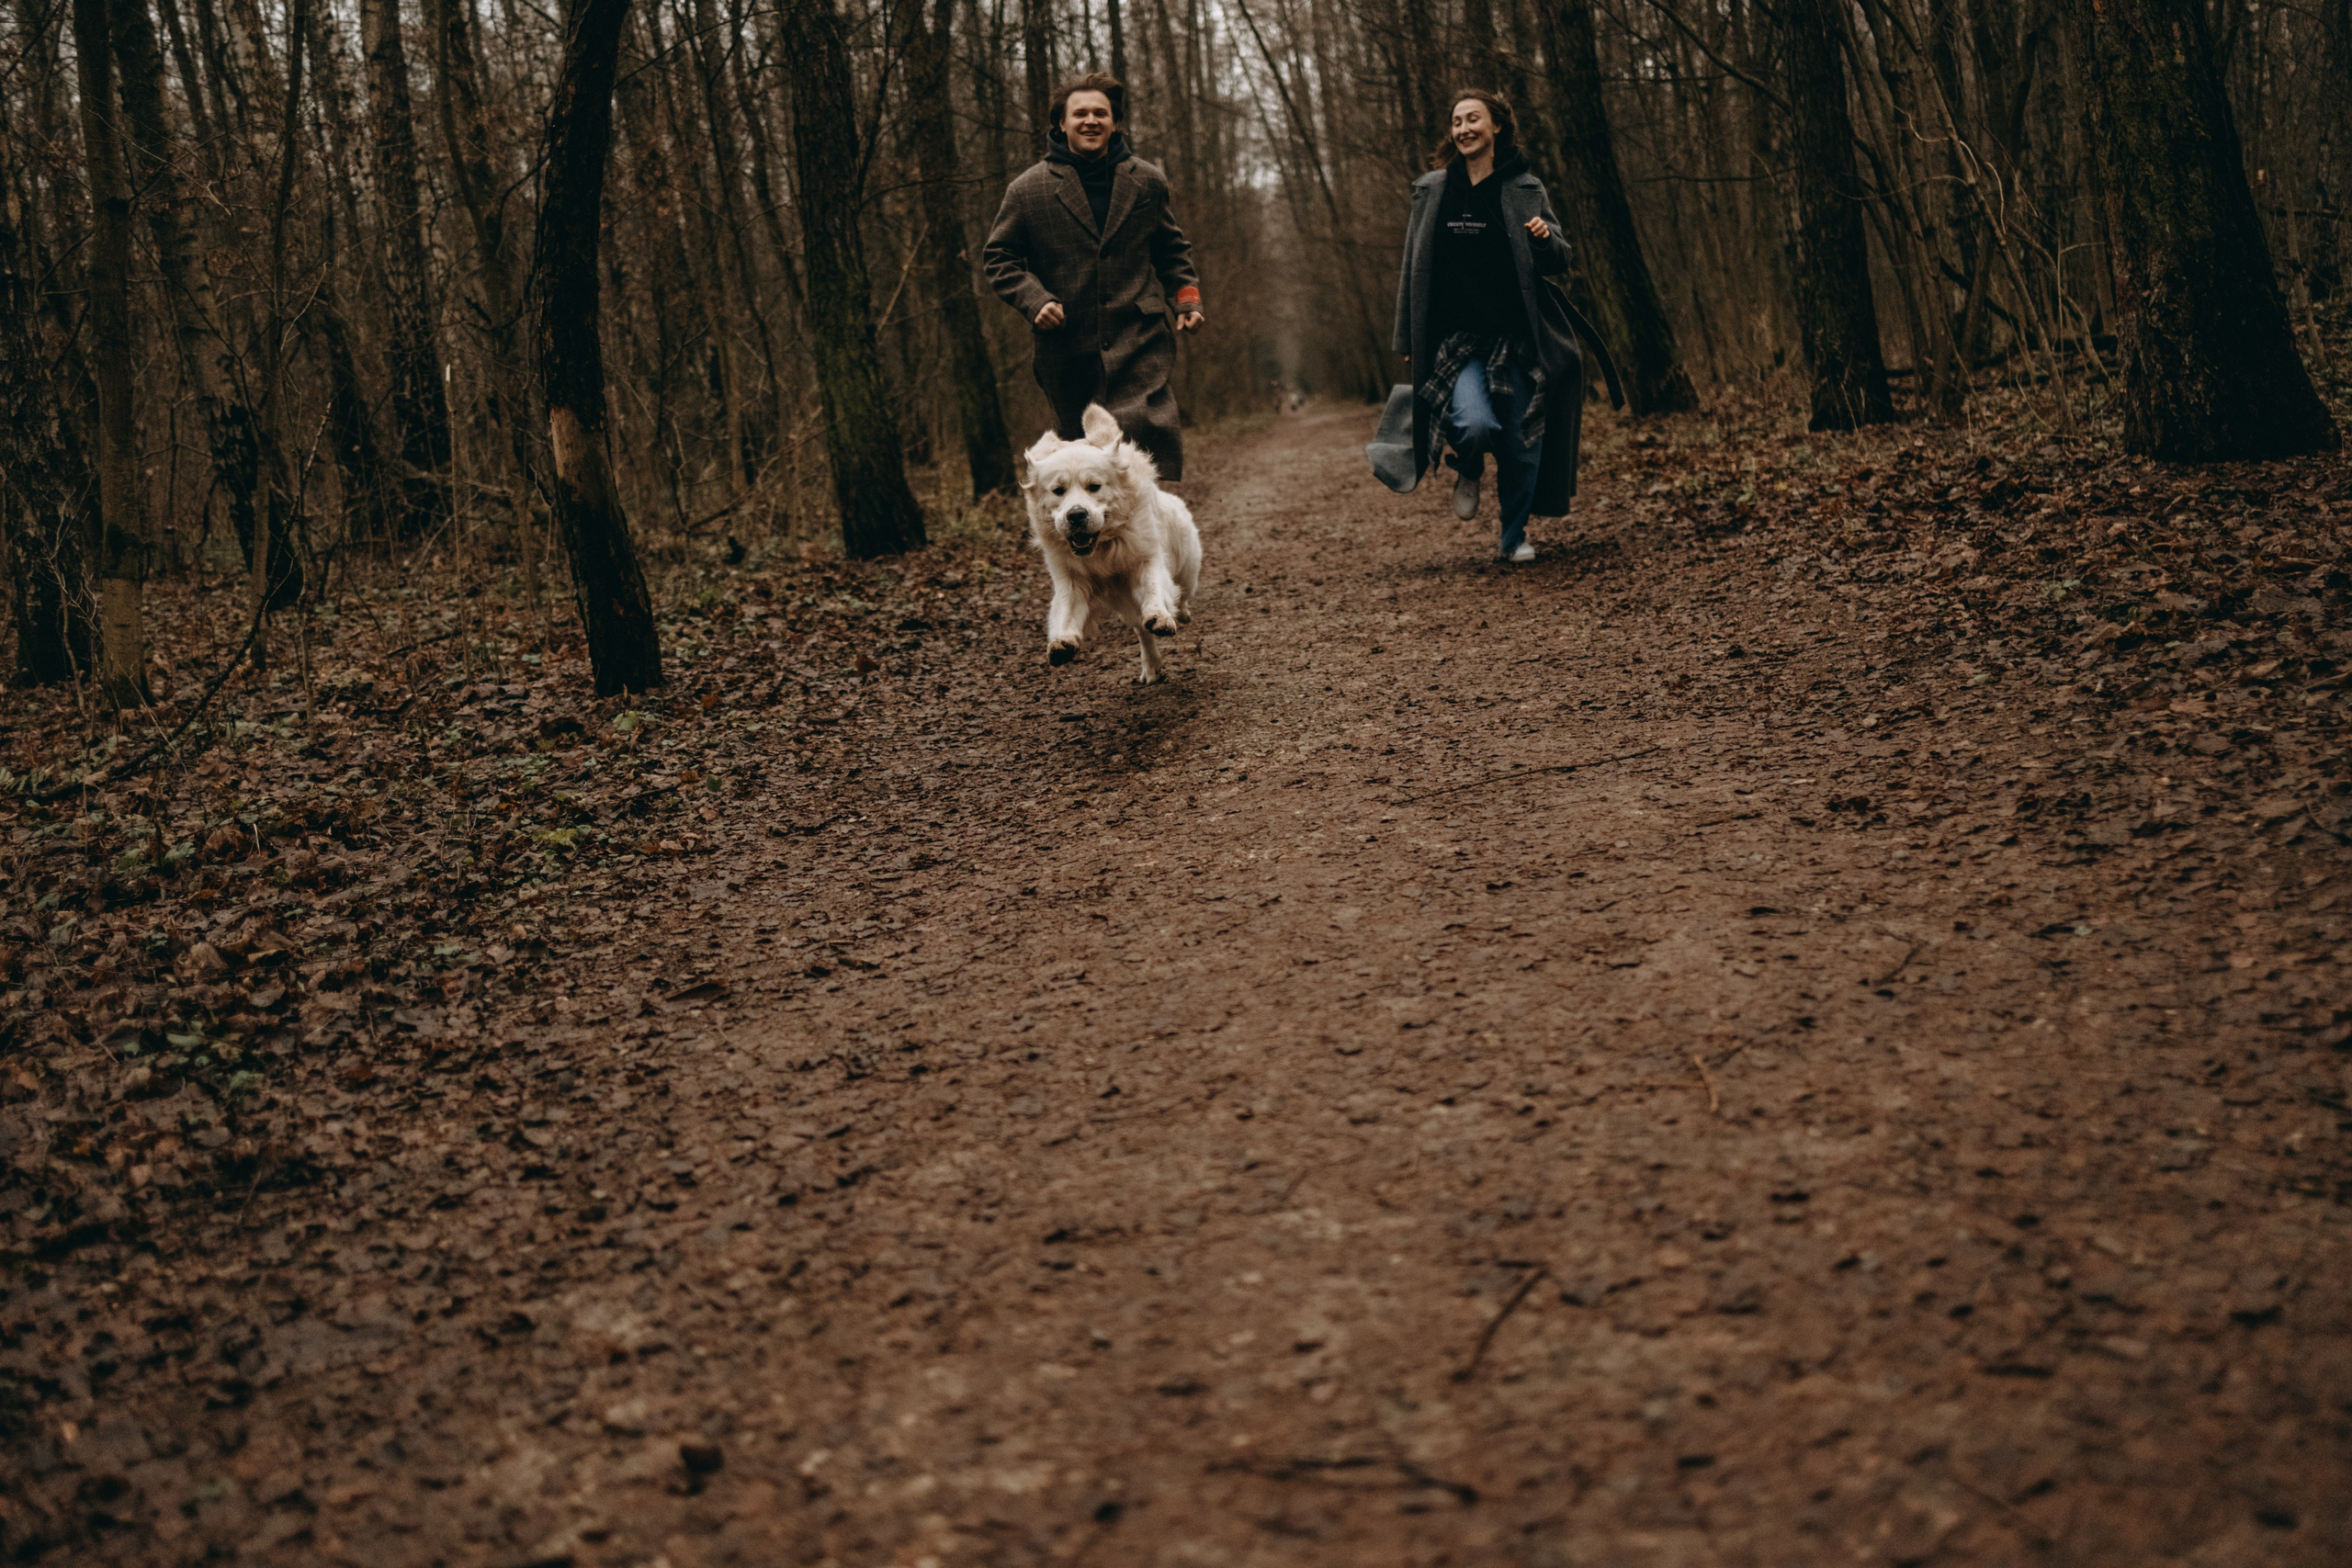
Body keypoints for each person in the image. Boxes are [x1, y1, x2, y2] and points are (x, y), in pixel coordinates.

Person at [1375, 90, 1590, 562]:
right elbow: (1413, 268)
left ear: (1496, 127)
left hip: (1517, 341)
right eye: (1457, 122)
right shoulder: (1432, 190)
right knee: (1473, 424)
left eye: (1474, 119)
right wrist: (1407, 337)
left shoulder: (1524, 188)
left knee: (1521, 441)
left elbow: (1561, 258)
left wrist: (1544, 240)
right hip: (1457, 343)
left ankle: (1513, 537)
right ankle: (1468, 465)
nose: (1464, 129)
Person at [984, 73, 1204, 481]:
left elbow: (1172, 251)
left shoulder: (1148, 182)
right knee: (1083, 460)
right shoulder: (1027, 190)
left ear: (1115, 122)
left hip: (1140, 339)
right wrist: (1035, 301)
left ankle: (1149, 538)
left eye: (1100, 113)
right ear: (1061, 124)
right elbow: (999, 257)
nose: (1091, 121)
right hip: (1067, 349)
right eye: (1080, 113)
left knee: (1141, 442)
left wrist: (1187, 300)